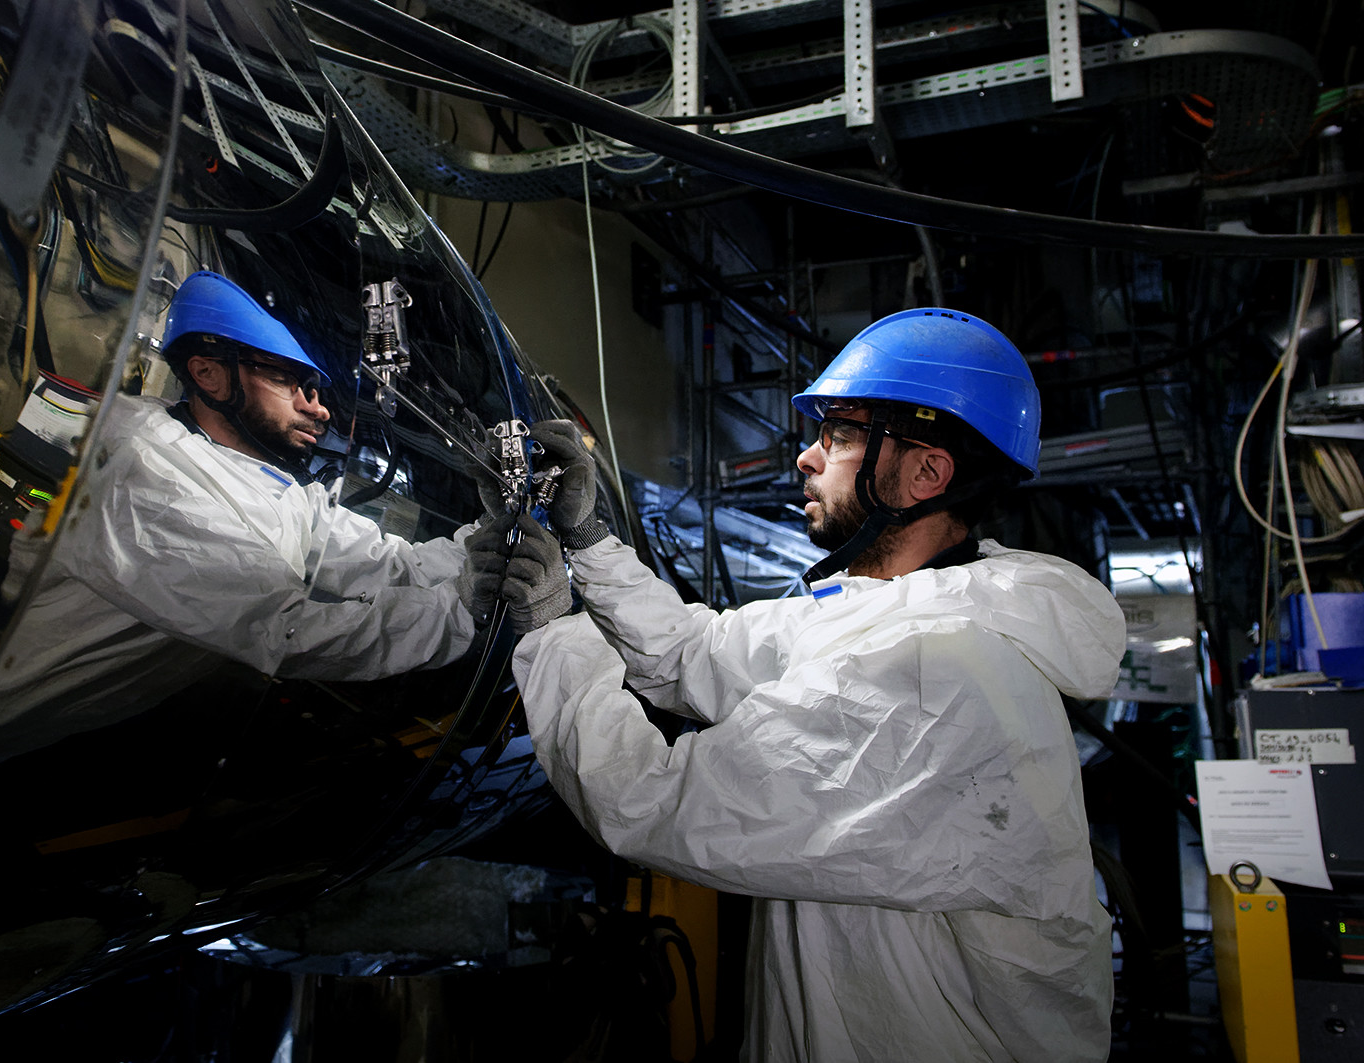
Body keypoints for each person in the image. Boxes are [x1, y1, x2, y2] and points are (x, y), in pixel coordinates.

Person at [463, 308, 1127, 1061]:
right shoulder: (883, 609)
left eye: (840, 434)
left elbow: (653, 801)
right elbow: (696, 653)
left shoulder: (935, 675)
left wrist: (550, 628)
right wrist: (589, 539)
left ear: (925, 472)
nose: (809, 457)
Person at [0, 271, 479, 828]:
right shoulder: (159, 475)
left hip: (86, 696)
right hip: (5, 684)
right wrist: (462, 624)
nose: (318, 407)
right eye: (294, 383)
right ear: (209, 374)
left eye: (315, 390)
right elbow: (284, 628)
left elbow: (391, 562)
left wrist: (489, 545)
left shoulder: (268, 481)